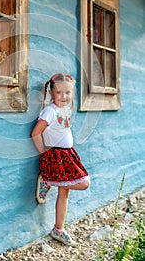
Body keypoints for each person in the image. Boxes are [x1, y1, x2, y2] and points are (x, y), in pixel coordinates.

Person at [31, 73, 90, 246]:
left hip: (68, 154)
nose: (64, 97)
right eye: (59, 93)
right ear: (51, 92)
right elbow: (35, 133)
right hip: (56, 155)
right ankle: (48, 180)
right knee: (84, 183)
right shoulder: (50, 111)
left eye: (68, 93)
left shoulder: (64, 108)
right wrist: (43, 152)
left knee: (66, 191)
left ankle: (58, 229)